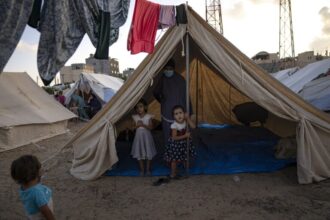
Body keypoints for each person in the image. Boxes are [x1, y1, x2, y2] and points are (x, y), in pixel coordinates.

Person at [153, 59, 191, 147]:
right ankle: (170, 153)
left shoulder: (181, 80)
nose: (168, 70)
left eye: (170, 68)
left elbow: (186, 97)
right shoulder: (162, 79)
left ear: (174, 69)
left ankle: (180, 151)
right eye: (166, 69)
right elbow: (155, 92)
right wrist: (161, 99)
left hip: (179, 115)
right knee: (168, 135)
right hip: (166, 114)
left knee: (180, 134)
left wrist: (188, 113)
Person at [10, 155, 55, 220]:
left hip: (33, 215)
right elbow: (45, 210)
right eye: (40, 167)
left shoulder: (24, 187)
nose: (42, 168)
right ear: (35, 173)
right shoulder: (37, 192)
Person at [164, 105, 196, 179]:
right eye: (176, 114)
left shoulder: (185, 121)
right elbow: (174, 137)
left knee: (185, 157)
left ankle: (186, 171)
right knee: (174, 160)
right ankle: (173, 174)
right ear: (173, 116)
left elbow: (193, 126)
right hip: (176, 145)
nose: (179, 115)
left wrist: (188, 118)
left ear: (184, 114)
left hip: (184, 143)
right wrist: (185, 136)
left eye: (180, 113)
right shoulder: (174, 125)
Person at [131, 99, 157, 176]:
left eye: (141, 106)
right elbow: (132, 128)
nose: (139, 109)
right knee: (139, 153)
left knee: (148, 152)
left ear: (145, 107)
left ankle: (148, 169)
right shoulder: (135, 117)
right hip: (138, 139)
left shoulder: (148, 116)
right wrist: (136, 126)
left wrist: (143, 125)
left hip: (147, 138)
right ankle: (142, 170)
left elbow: (151, 127)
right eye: (137, 107)